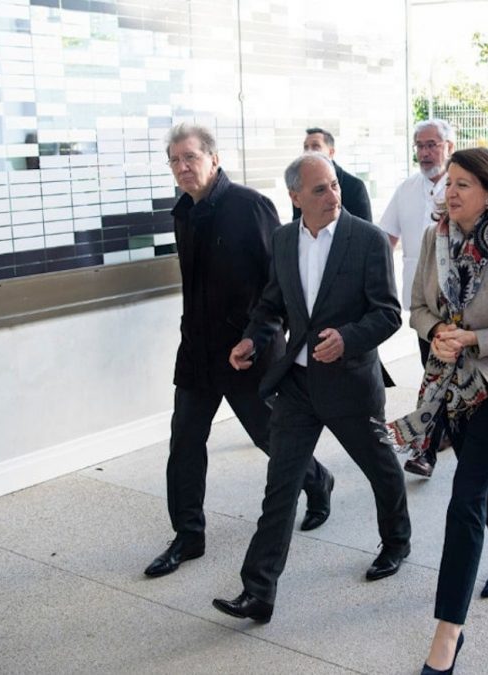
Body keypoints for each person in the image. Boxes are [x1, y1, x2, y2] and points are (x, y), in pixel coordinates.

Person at [211, 152, 411, 623]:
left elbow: (387, 313)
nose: (332, 196)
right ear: (295, 197)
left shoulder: (366, 240)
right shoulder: (283, 241)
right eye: (320, 189)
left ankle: (396, 542)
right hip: (298, 386)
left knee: (380, 467)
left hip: (351, 384)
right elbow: (271, 307)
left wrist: (347, 339)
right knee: (280, 487)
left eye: (336, 185)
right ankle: (258, 591)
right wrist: (251, 340)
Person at [144, 124, 334, 579]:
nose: (182, 167)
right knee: (185, 441)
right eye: (174, 161)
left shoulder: (249, 207)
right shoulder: (182, 213)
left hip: (250, 349)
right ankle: (188, 535)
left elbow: (279, 281)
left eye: (190, 157)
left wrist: (260, 336)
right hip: (196, 352)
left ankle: (317, 479)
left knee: (269, 436)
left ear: (213, 158)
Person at [386, 147, 488, 675]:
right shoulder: (435, 240)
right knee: (482, 473)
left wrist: (475, 338)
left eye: (462, 184)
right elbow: (418, 309)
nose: (449, 192)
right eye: (447, 183)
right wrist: (438, 331)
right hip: (450, 388)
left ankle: (448, 633)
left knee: (465, 496)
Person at [380, 118, 456, 477]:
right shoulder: (406, 189)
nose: (425, 153)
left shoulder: (463, 186)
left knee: (446, 376)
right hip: (423, 304)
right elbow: (385, 240)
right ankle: (431, 443)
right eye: (420, 146)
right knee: (434, 373)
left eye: (432, 145)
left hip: (462, 304)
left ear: (449, 147)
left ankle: (432, 441)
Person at [290, 127, 372, 222]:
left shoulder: (354, 186)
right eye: (306, 147)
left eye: (315, 146)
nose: (308, 152)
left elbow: (366, 232)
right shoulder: (300, 187)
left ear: (331, 152)